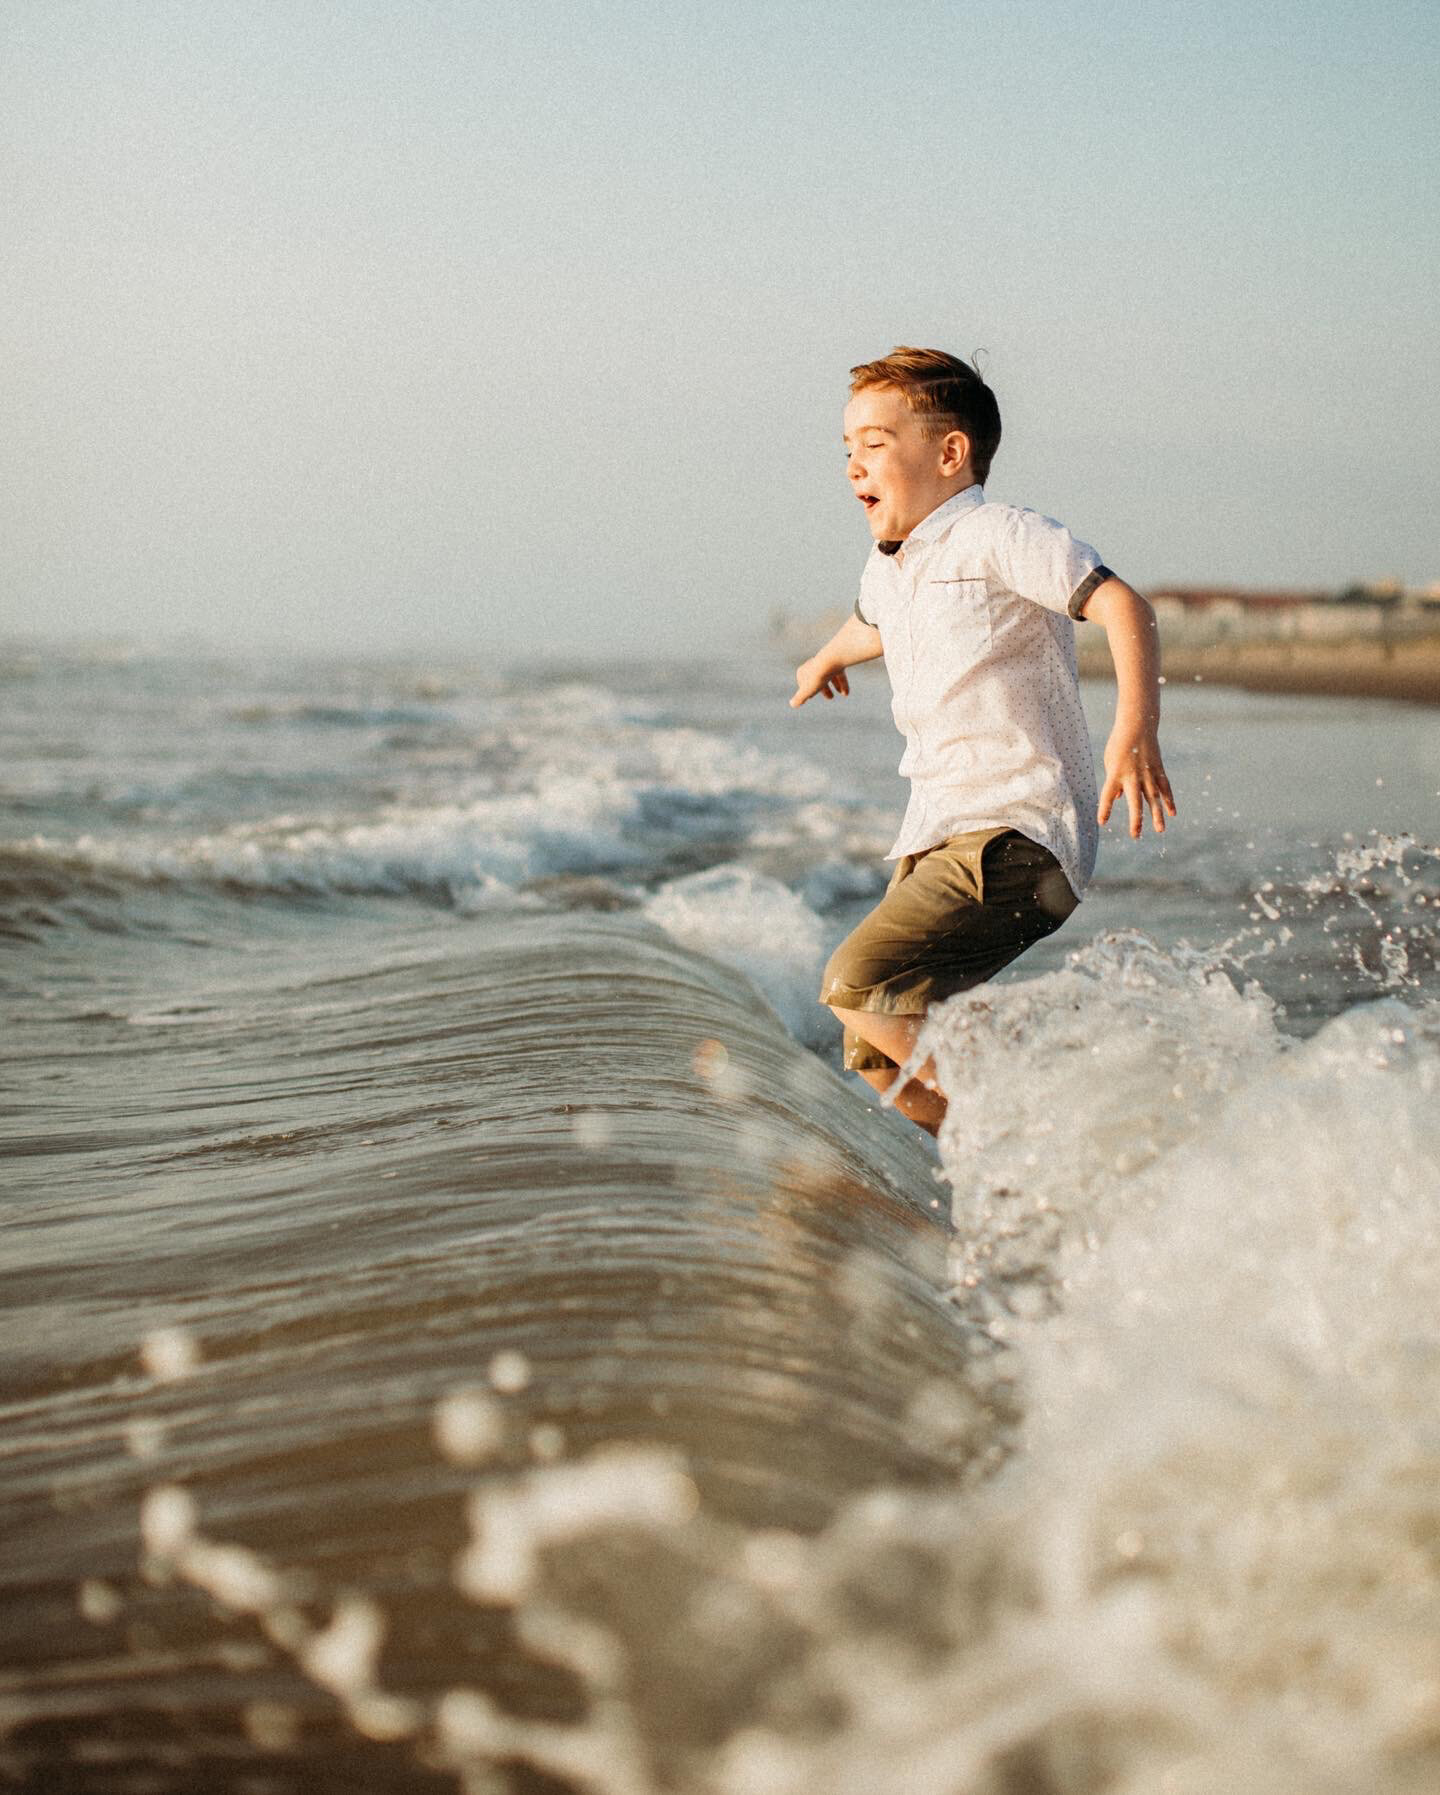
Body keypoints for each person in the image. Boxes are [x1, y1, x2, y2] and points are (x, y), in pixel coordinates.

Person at [790, 346, 1175, 1135]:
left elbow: (1125, 608)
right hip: (940, 832)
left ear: (950, 452)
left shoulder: (1001, 535)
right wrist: (829, 653)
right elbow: (872, 624)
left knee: (856, 980)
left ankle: (1034, 1135)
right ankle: (998, 1183)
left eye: (874, 443)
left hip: (1018, 830)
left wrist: (1135, 727)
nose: (853, 465)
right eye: (846, 450)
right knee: (871, 1048)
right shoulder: (891, 564)